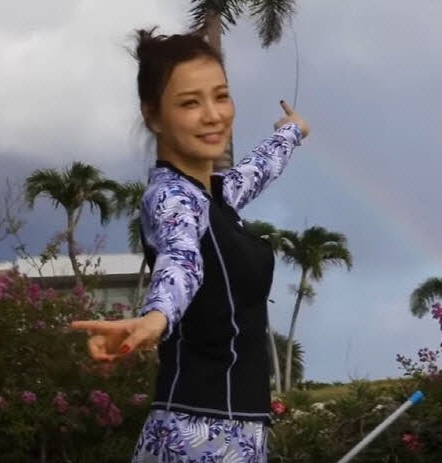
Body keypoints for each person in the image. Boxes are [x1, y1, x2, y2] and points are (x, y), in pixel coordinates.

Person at [70, 27, 309, 462]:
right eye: (190, 103)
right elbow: (181, 259)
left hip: (237, 431)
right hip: (196, 435)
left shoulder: (214, 195)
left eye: (221, 96)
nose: (213, 115)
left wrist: (290, 132)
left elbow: (256, 170)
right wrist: (157, 317)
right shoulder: (172, 198)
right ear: (153, 116)